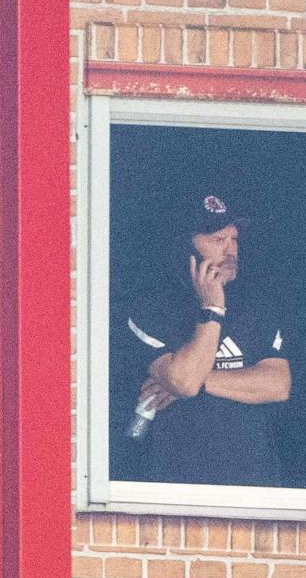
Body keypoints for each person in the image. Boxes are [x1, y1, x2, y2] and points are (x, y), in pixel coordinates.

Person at [122, 192, 291, 486]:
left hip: (254, 487)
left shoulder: (256, 307)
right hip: (176, 487)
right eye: (217, 240)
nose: (231, 251)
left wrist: (201, 382)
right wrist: (212, 309)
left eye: (234, 240)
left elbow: (277, 385)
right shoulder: (151, 309)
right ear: (185, 248)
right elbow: (183, 381)